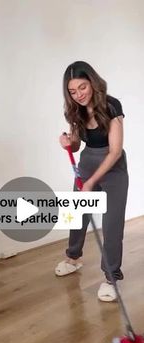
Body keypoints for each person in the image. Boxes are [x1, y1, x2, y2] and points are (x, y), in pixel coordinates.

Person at [55, 61, 129, 302]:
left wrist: (91, 183)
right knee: (77, 215)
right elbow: (77, 143)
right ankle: (73, 258)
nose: (79, 95)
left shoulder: (111, 105)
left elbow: (116, 151)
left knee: (112, 224)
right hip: (88, 161)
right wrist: (69, 143)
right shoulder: (75, 110)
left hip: (113, 168)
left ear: (93, 83)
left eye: (82, 87)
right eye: (73, 91)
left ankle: (111, 277)